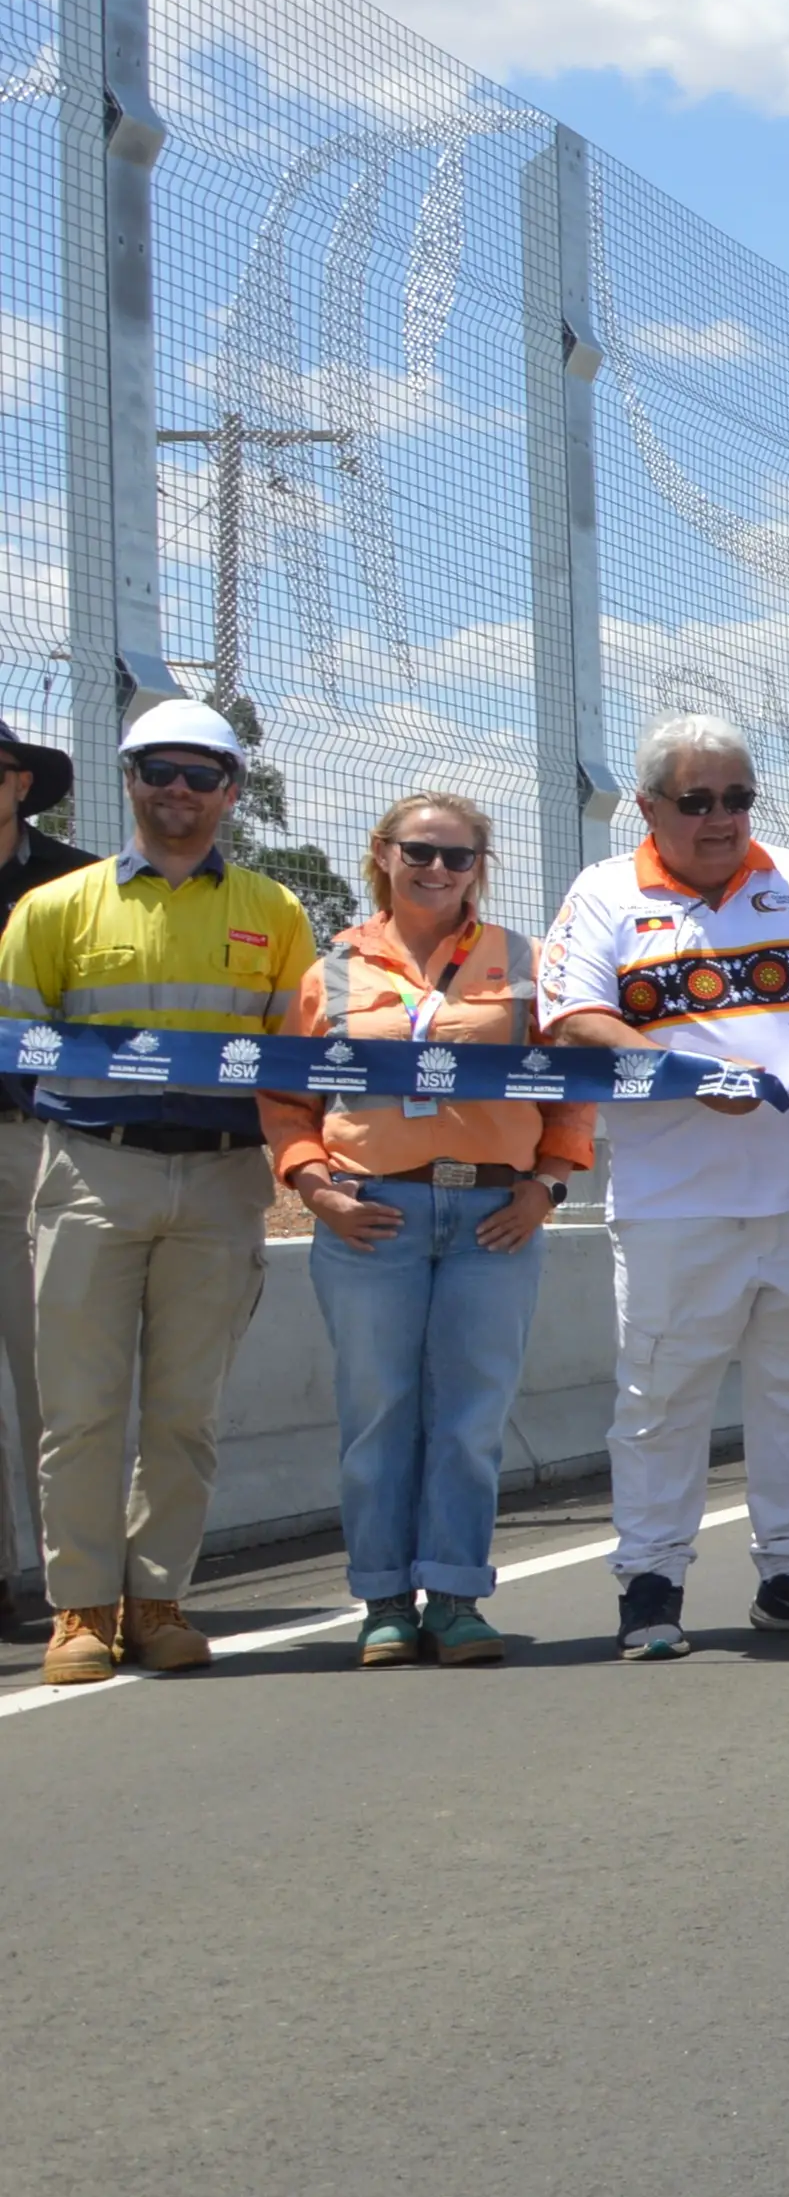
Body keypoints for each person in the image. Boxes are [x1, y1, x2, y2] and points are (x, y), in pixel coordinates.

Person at [540, 715, 789, 1659]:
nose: (721, 820)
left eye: (738, 798)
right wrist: (686, 1078)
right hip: (675, 1206)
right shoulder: (604, 894)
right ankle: (651, 1583)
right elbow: (575, 1017)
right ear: (649, 807)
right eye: (697, 802)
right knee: (661, 1398)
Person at [0, 699, 316, 1686]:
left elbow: (298, 1058)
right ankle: (80, 1610)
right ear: (126, 780)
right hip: (94, 1168)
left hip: (224, 1182)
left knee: (186, 1411)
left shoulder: (275, 911)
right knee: (80, 1409)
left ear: (230, 789)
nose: (177, 791)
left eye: (200, 774)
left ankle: (159, 1601)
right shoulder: (56, 907)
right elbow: (15, 1047)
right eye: (157, 772)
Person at [261, 795, 591, 1667]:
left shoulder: (524, 962)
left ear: (481, 865)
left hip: (496, 1216)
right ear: (384, 854)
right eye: (420, 852)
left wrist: (549, 1185)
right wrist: (312, 1184)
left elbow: (574, 1083)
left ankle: (453, 1598)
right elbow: (287, 1096)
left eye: (458, 857)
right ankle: (382, 1603)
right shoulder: (332, 970)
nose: (437, 870)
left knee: (470, 1416)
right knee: (378, 1413)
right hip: (372, 1215)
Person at [0, 713, 91, 1641]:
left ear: (21, 782)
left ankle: (75, 1587)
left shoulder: (73, 883)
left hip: (38, 1138)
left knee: (50, 1371)